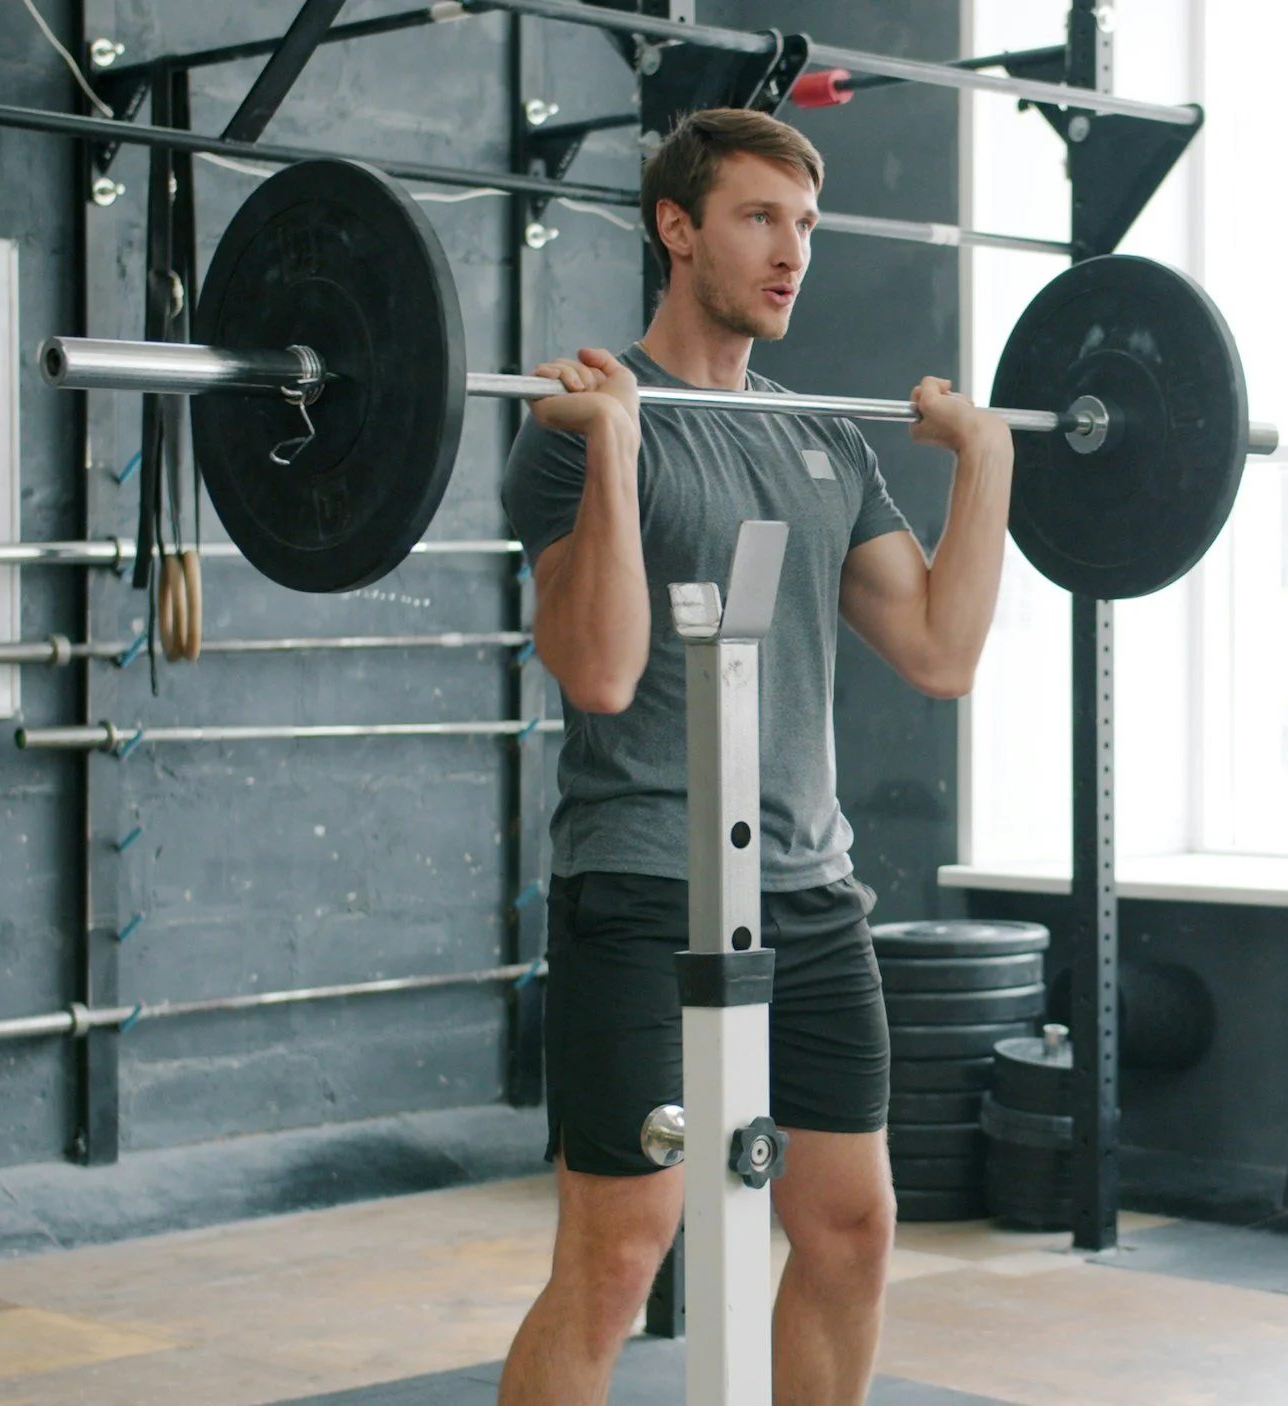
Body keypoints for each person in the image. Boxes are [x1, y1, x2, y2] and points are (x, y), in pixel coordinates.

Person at [496, 108, 1014, 1406]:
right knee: (620, 1252)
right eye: (758, 218)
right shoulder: (579, 420)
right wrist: (613, 447)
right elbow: (599, 667)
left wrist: (989, 464)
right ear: (677, 228)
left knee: (849, 1228)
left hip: (808, 894)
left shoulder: (825, 440)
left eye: (806, 226)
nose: (792, 253)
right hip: (642, 884)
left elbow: (942, 650)